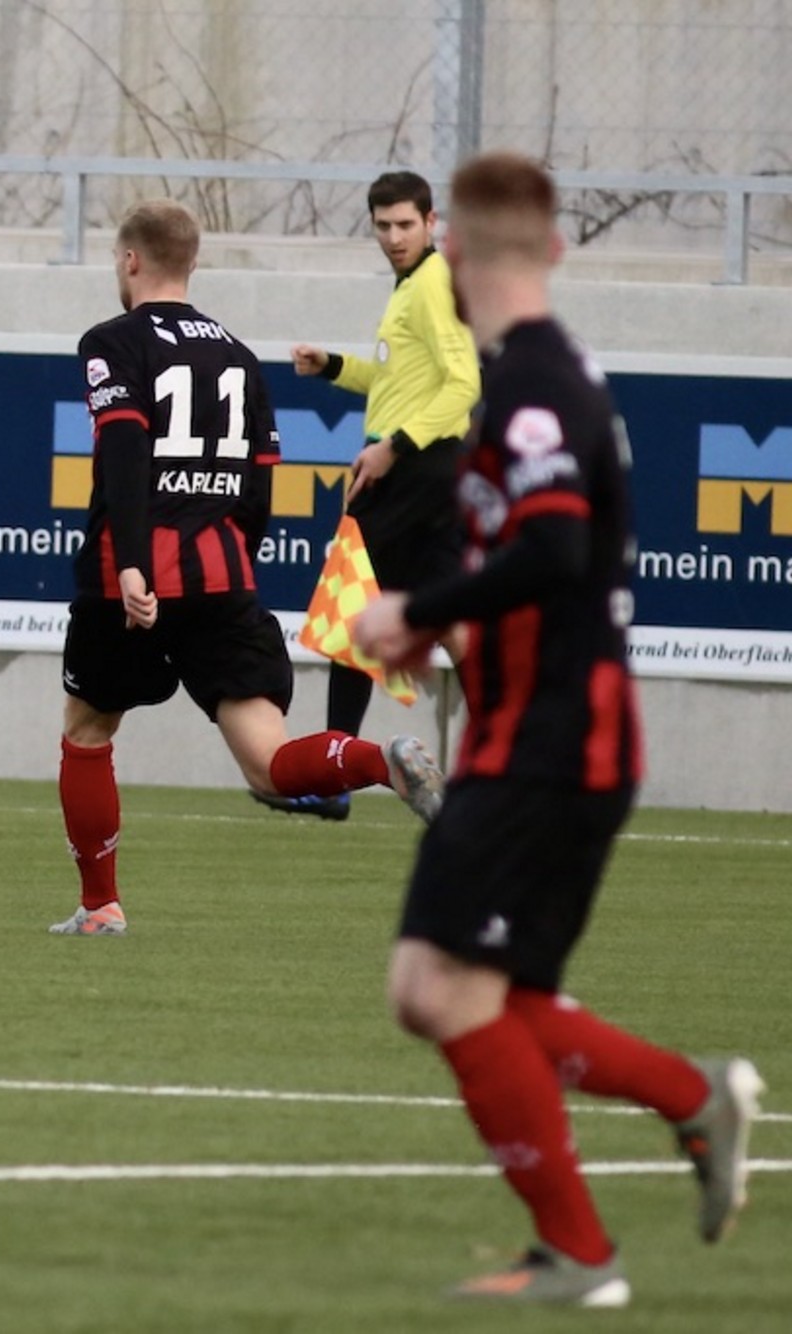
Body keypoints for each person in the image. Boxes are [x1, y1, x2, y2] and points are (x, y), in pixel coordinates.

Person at [354, 152, 762, 1306]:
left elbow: (552, 546)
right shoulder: (532, 378)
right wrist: (443, 620)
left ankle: (579, 1254)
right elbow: (524, 549)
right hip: (539, 731)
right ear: (555, 249)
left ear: (450, 256)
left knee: (436, 987)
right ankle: (687, 1099)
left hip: (553, 737)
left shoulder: (534, 384)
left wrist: (415, 609)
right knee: (464, 989)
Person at [51, 199, 445, 937]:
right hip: (223, 582)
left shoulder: (111, 341)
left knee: (88, 729)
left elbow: (125, 451)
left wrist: (133, 565)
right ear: (193, 262)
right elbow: (262, 485)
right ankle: (380, 761)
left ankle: (101, 906)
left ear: (129, 260)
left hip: (127, 582)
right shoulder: (237, 355)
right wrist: (235, 568)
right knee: (269, 763)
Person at [260, 170, 479, 822]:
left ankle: (333, 778)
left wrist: (392, 448)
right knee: (450, 622)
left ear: (432, 222)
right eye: (383, 225)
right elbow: (396, 382)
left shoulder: (433, 283)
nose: (393, 236)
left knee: (356, 614)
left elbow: (463, 385)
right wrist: (332, 367)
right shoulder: (414, 285)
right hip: (430, 471)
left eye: (405, 224)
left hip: (413, 471)